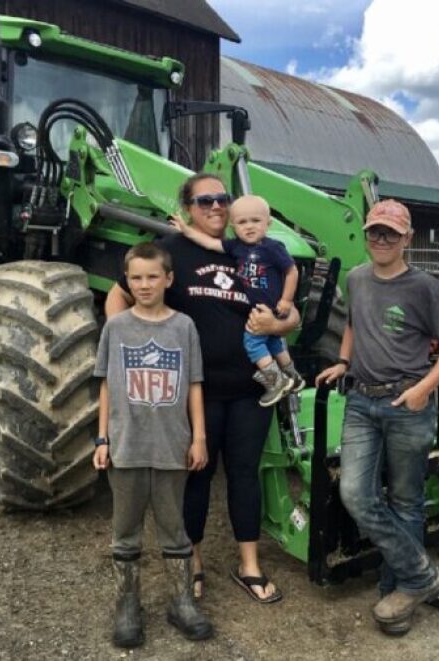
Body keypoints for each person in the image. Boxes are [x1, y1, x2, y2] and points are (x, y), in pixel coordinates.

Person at [105, 174, 299, 604]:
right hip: (197, 392)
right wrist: (124, 349)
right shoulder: (171, 249)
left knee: (245, 474)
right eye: (204, 200)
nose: (215, 206)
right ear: (189, 207)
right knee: (198, 475)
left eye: (222, 199)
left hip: (252, 389)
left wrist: (278, 324)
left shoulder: (249, 249)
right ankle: (191, 562)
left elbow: (292, 314)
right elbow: (120, 297)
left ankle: (248, 565)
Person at [315, 199, 439, 636]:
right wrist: (344, 362)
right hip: (362, 402)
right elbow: (353, 325)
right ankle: (420, 576)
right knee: (355, 494)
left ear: (407, 238)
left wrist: (423, 388)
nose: (380, 240)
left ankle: (396, 593)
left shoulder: (425, 288)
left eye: (390, 233)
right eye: (374, 232)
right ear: (366, 236)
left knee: (406, 499)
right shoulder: (357, 278)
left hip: (408, 403)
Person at [93, 242, 213, 648]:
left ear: (168, 279)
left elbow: (194, 385)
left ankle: (181, 602)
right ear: (127, 281)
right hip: (126, 445)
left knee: (173, 530)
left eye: (152, 277)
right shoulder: (117, 327)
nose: (144, 285)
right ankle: (127, 606)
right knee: (125, 532)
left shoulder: (184, 328)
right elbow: (107, 385)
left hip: (171, 447)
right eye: (136, 278)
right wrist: (102, 437)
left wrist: (198, 437)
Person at [171, 194, 305, 406]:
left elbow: (291, 271)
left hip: (268, 308)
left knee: (252, 343)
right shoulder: (236, 247)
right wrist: (187, 231)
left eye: (255, 221)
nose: (249, 227)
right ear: (233, 226)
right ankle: (293, 376)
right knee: (274, 343)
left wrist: (287, 300)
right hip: (261, 307)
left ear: (267, 223)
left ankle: (276, 381)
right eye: (242, 222)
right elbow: (210, 244)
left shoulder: (272, 247)